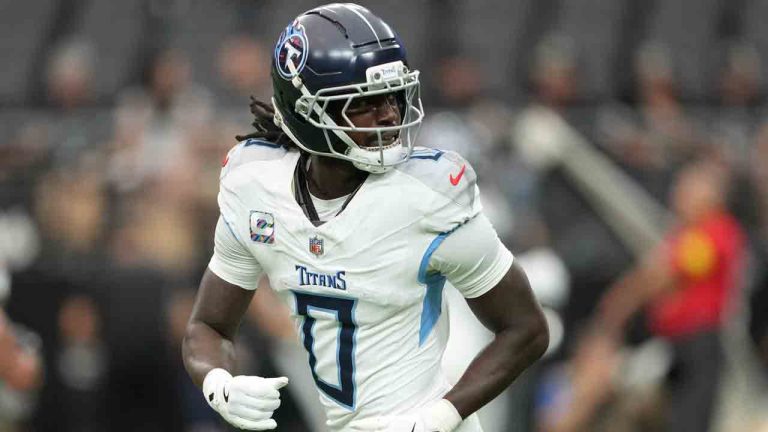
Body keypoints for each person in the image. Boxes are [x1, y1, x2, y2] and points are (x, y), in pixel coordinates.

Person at [182, 4, 549, 432]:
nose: (389, 115)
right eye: (365, 103)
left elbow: (526, 328)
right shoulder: (257, 186)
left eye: (393, 96)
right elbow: (208, 325)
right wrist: (218, 382)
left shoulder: (426, 195)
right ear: (306, 111)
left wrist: (437, 418)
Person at [595, 159, 746, 432]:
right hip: (671, 342)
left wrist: (622, 301)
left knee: (689, 420)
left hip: (697, 343)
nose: (678, 193)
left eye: (688, 188)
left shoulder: (716, 231)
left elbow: (663, 274)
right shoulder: (684, 234)